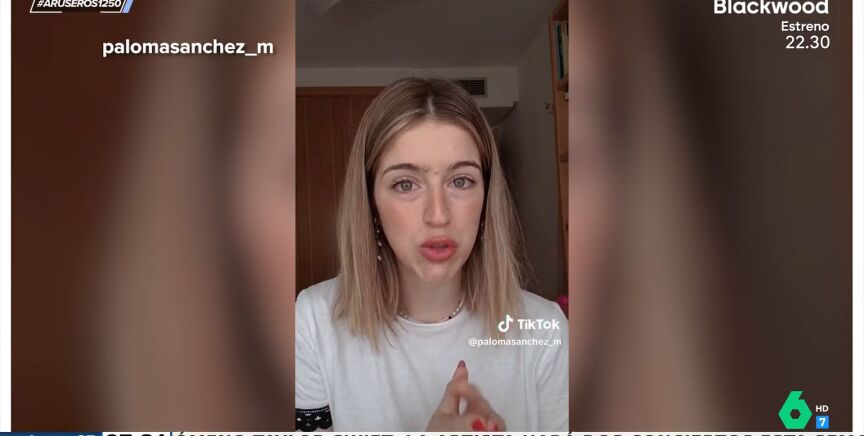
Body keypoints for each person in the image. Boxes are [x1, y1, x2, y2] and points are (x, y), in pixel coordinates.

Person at [295, 77, 568, 432]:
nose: (438, 215)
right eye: (405, 184)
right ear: (371, 204)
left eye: (461, 181)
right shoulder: (314, 321)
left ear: (486, 199)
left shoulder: (545, 330)